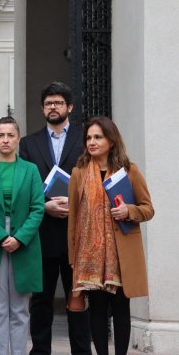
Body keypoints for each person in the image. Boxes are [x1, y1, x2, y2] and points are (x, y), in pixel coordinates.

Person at [68, 116, 154, 355]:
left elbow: (148, 208)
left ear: (111, 140)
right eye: (89, 138)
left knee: (120, 309)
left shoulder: (129, 171)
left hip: (120, 255)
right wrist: (73, 259)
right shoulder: (79, 173)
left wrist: (129, 210)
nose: (92, 142)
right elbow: (73, 220)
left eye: (98, 137)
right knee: (96, 310)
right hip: (89, 258)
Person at [18, 82, 91, 355]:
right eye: (48, 103)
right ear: (42, 108)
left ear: (69, 107)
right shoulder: (28, 144)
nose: (53, 107)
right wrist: (45, 205)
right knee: (41, 300)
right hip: (43, 231)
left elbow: (95, 178)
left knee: (78, 298)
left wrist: (75, 204)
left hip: (78, 232)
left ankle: (81, 351)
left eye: (58, 103)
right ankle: (40, 351)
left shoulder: (86, 139)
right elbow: (25, 185)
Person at [0, 116, 45, 355]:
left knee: (21, 308)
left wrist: (20, 237)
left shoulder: (31, 169)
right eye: (0, 135)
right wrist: (1, 237)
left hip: (24, 240)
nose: (5, 140)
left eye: (10, 135)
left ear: (18, 139)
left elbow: (38, 208)